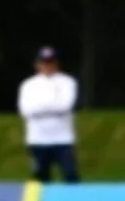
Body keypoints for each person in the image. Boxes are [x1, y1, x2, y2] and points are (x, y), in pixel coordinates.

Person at [17, 46, 80, 183]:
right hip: (38, 139)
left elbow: (65, 105)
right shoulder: (28, 85)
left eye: (50, 62)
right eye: (44, 62)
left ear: (56, 64)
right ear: (37, 64)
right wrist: (52, 105)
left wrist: (40, 106)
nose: (47, 66)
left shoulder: (67, 82)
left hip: (63, 139)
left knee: (70, 175)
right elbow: (26, 110)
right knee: (40, 177)